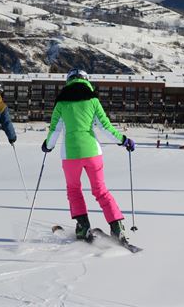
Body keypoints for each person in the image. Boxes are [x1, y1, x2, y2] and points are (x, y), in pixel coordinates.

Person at [42, 68, 135, 243]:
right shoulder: (93, 101)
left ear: (68, 82)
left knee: (74, 190)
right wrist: (123, 140)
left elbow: (54, 130)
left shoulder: (61, 103)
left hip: (70, 155)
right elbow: (105, 127)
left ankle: (83, 227)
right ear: (86, 81)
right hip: (93, 153)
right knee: (100, 190)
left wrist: (48, 146)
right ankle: (117, 227)